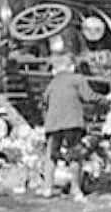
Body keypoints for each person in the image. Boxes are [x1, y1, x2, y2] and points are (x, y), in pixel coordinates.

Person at [38, 53, 103, 201]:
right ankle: (76, 189)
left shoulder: (52, 83)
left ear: (54, 70)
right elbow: (89, 97)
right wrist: (105, 99)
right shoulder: (77, 79)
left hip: (53, 125)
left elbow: (44, 102)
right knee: (75, 156)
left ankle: (47, 188)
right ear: (72, 67)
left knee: (51, 156)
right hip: (72, 123)